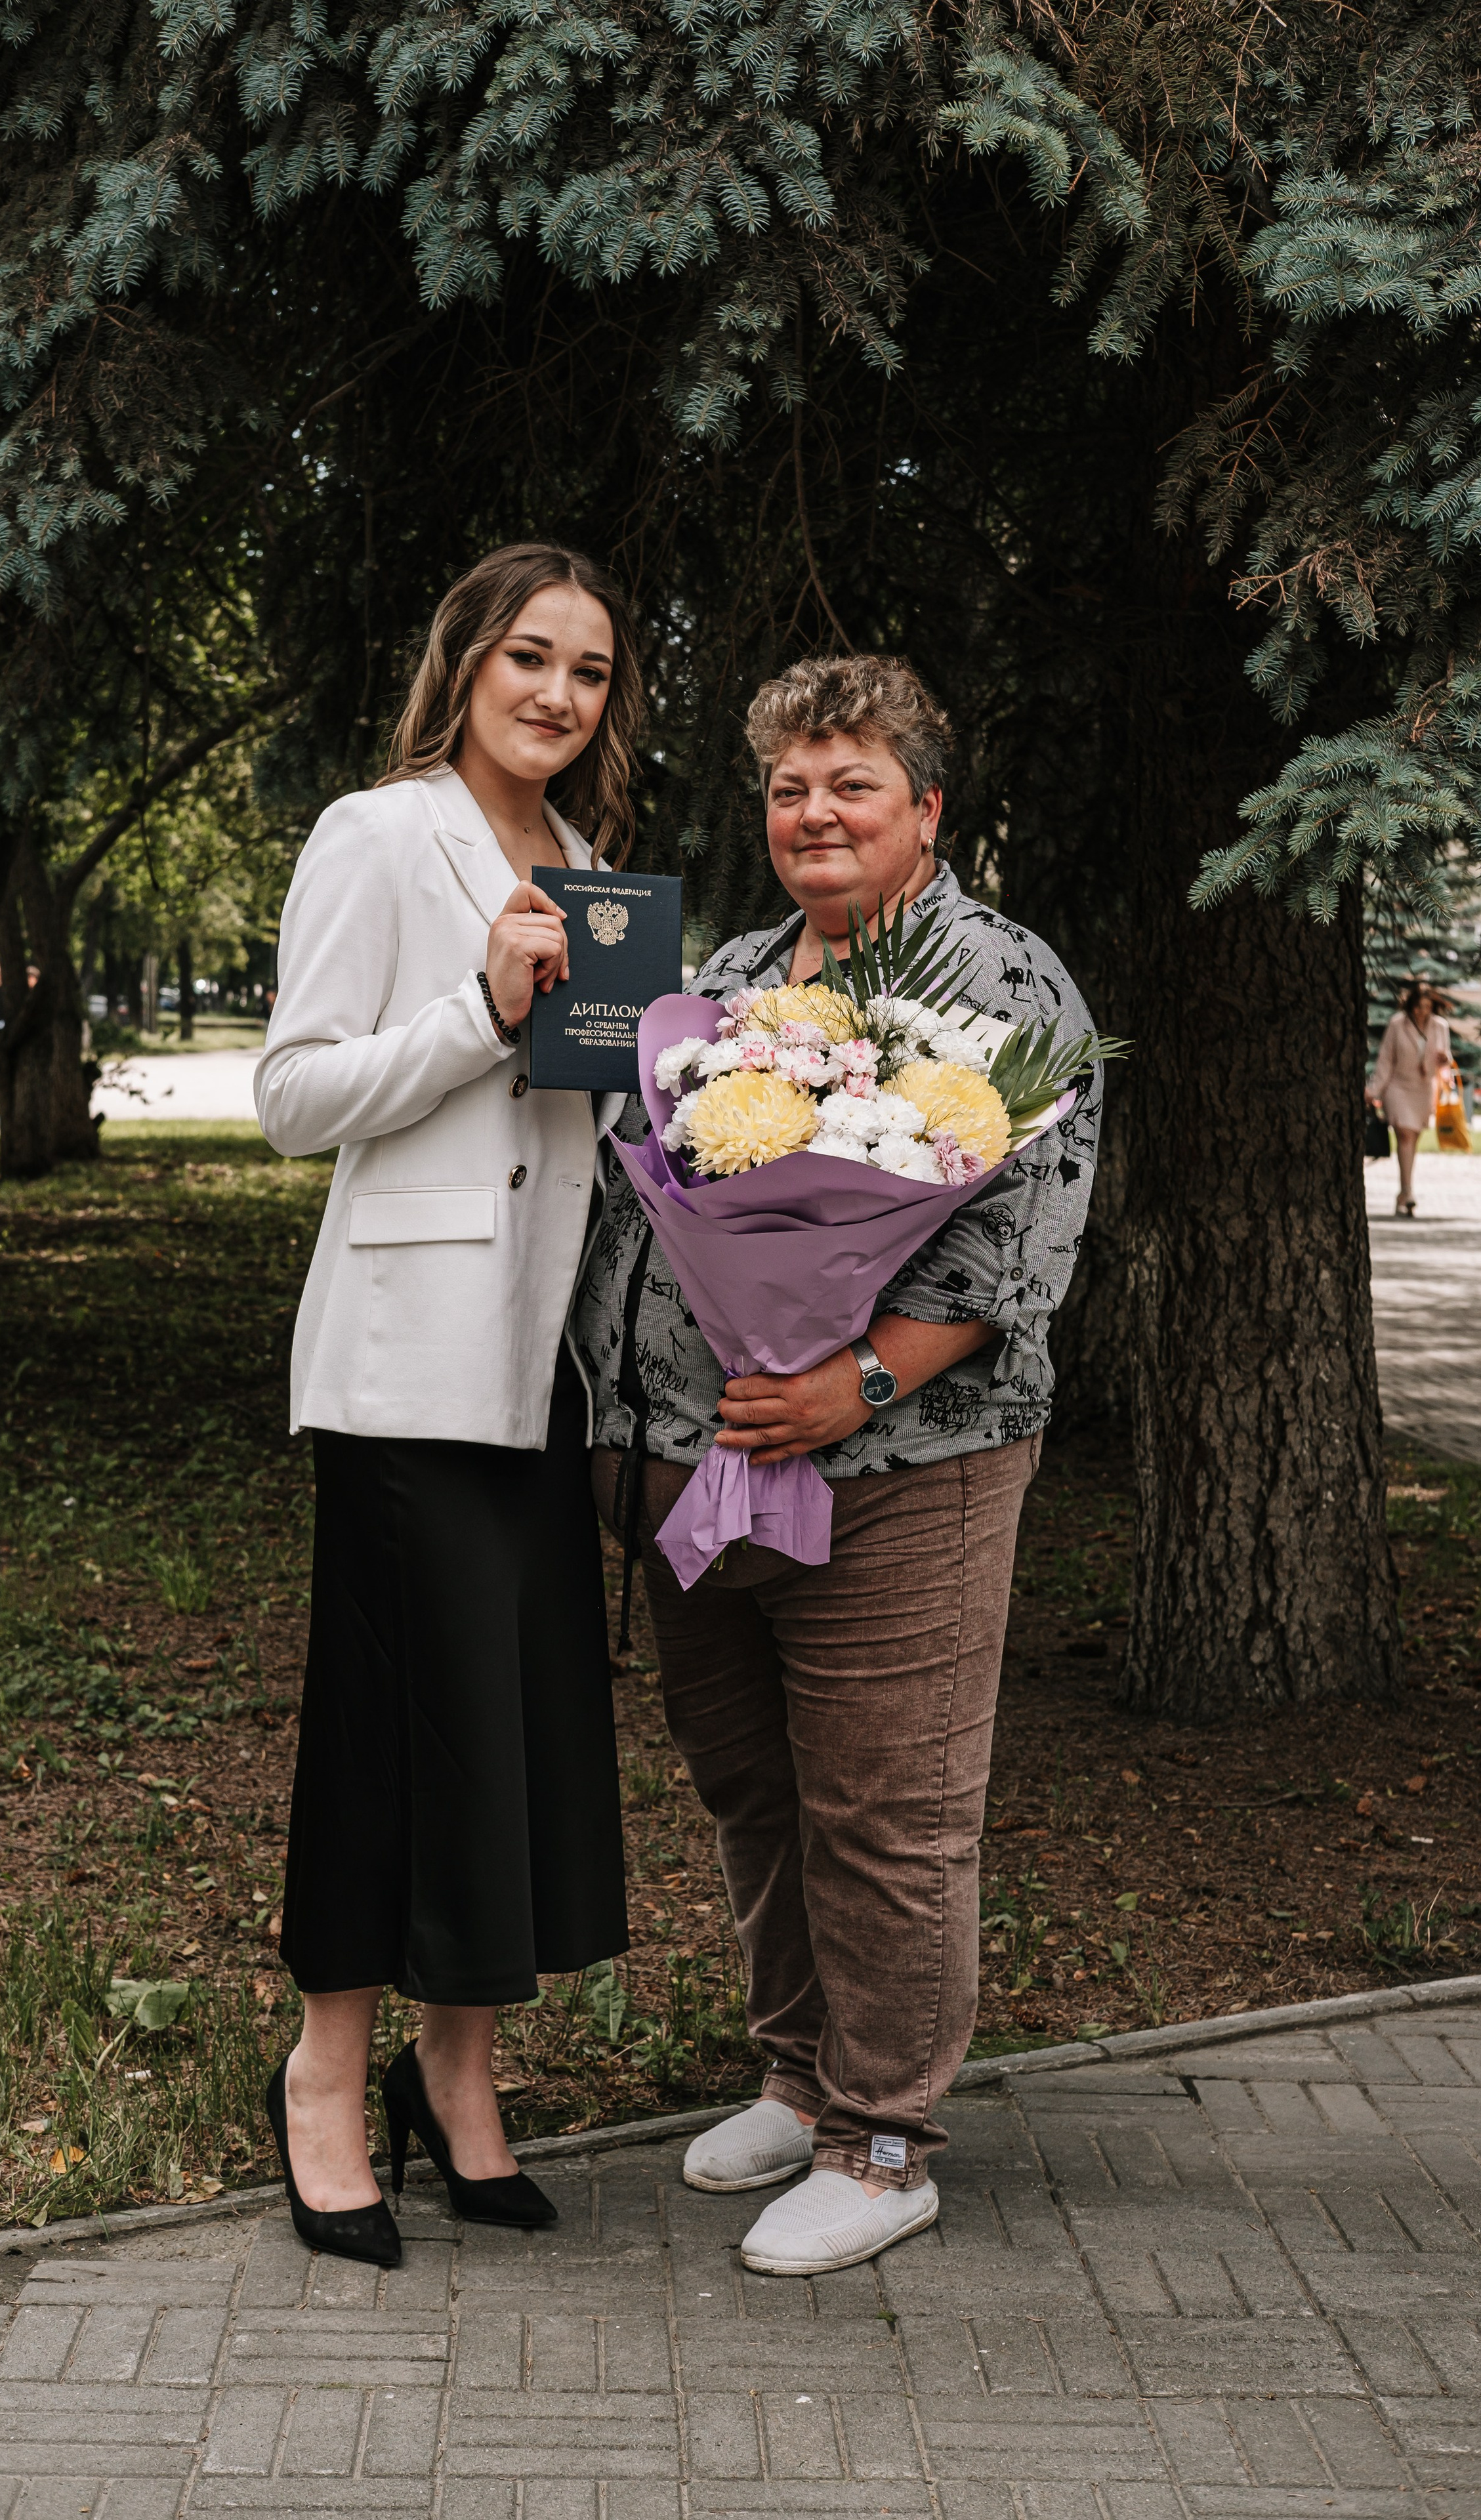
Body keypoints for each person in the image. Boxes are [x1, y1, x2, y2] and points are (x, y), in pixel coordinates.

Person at [575, 654, 1100, 2279]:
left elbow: (1020, 1247)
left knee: (885, 1804)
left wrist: (851, 1379)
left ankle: (882, 2145)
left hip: (904, 1469)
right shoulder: (729, 973)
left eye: (852, 781)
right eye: (791, 785)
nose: (816, 810)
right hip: (700, 1457)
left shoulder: (1000, 978)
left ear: (924, 807)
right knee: (751, 1782)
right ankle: (800, 2082)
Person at [254, 543, 645, 2267]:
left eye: (592, 671)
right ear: (468, 661)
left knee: (518, 1738)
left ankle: (459, 2079)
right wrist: (483, 1010)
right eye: (532, 658)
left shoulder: (601, 876)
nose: (561, 694)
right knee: (388, 1739)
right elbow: (292, 1097)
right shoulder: (376, 832)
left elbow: (604, 1137)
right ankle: (325, 2083)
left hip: (550, 1366)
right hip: (411, 1359)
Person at [1369, 978, 1453, 1217]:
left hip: (1424, 1087)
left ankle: (1402, 1194)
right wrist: (1374, 1091)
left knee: (1412, 1141)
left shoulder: (1440, 1026)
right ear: (1410, 1005)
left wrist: (1444, 1060)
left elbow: (1444, 1057)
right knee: (1405, 1136)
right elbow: (1385, 1059)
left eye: (1426, 1007)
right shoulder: (1397, 1025)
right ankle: (1408, 1192)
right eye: (1418, 1007)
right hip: (1397, 1085)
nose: (1422, 1012)